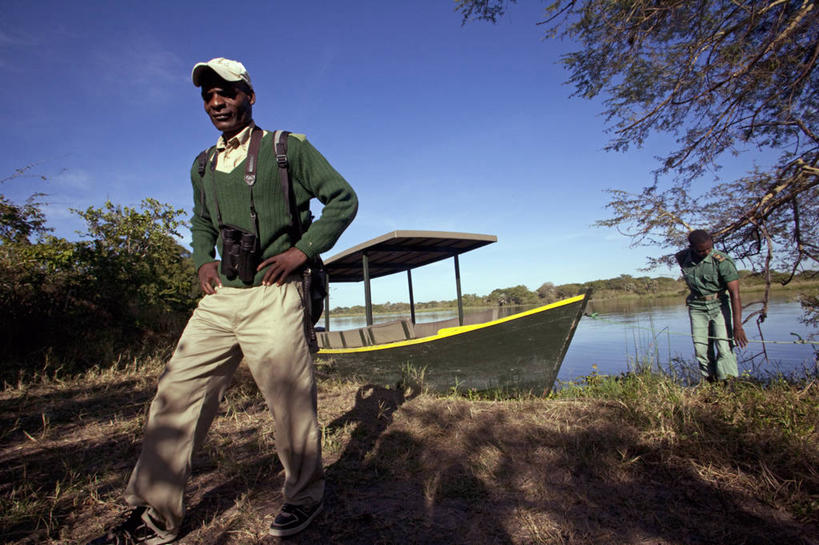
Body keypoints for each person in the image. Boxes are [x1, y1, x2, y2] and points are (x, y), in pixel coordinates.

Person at [88, 57, 358, 544]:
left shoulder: (286, 147)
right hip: (220, 299)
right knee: (175, 398)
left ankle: (304, 496)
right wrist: (201, 260)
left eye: (227, 92)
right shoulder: (202, 164)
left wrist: (301, 251)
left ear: (249, 96)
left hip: (275, 295)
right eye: (208, 95)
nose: (217, 102)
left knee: (289, 404)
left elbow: (343, 198)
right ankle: (157, 514)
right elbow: (201, 222)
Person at [675, 230, 748, 383]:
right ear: (691, 247)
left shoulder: (722, 261)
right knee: (701, 349)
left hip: (719, 305)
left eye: (709, 248)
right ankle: (711, 384)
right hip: (697, 307)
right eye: (701, 250)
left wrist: (738, 326)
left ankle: (728, 384)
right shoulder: (682, 257)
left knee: (724, 347)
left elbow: (735, 295)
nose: (706, 252)